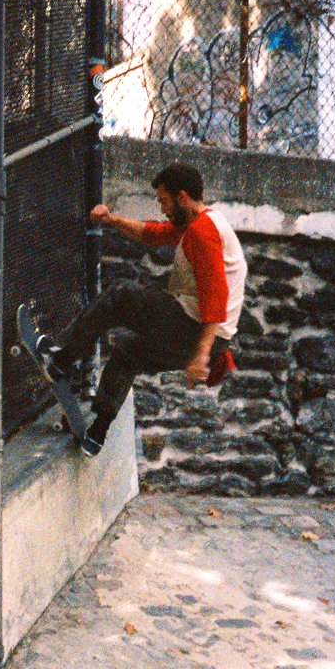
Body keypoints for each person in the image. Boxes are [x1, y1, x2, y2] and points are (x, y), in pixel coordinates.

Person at [40, 162, 247, 456]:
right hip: (213, 340)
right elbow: (153, 234)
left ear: (182, 197)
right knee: (128, 354)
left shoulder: (203, 232)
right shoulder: (201, 222)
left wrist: (201, 356)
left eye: (164, 201)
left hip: (195, 331)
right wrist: (111, 219)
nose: (163, 209)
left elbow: (216, 297)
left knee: (121, 296)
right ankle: (98, 431)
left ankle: (63, 359)